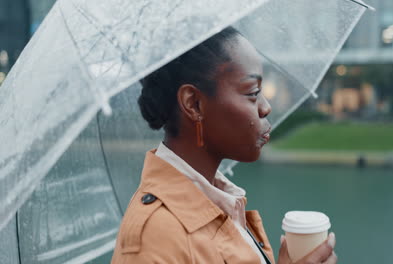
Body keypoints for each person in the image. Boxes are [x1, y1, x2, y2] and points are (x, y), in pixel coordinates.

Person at [111, 26, 337, 264]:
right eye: (253, 92)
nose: (265, 107)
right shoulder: (156, 237)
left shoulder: (220, 202)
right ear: (194, 104)